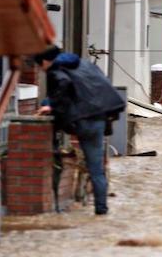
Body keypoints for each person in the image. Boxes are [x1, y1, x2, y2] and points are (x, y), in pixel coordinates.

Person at [34, 46, 125, 215]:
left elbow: (64, 85)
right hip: (99, 119)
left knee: (60, 155)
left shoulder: (55, 71)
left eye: (40, 65)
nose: (41, 69)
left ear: (46, 61)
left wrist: (51, 106)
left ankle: (57, 201)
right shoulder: (84, 64)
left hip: (83, 121)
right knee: (96, 169)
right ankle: (101, 209)